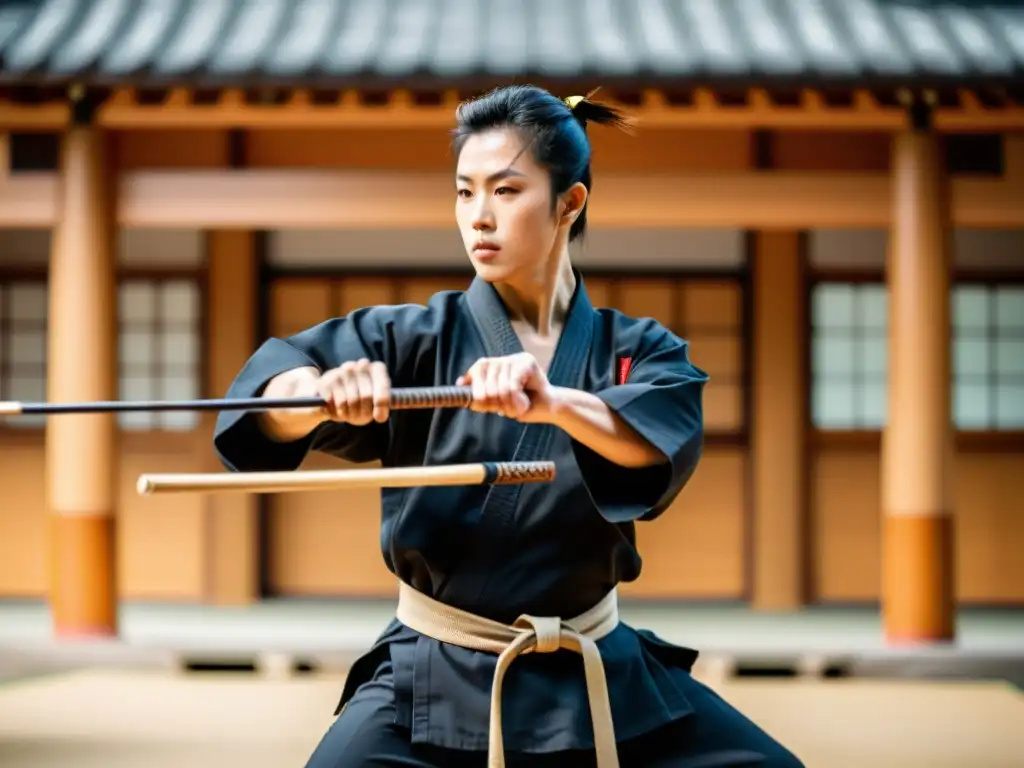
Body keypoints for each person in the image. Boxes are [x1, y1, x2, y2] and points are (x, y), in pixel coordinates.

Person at [214, 84, 803, 768]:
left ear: (569, 202)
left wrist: (549, 401)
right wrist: (314, 395)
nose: (478, 218)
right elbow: (272, 388)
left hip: (597, 669)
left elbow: (650, 439)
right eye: (465, 193)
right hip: (434, 674)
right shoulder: (415, 338)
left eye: (506, 190)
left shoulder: (638, 349)